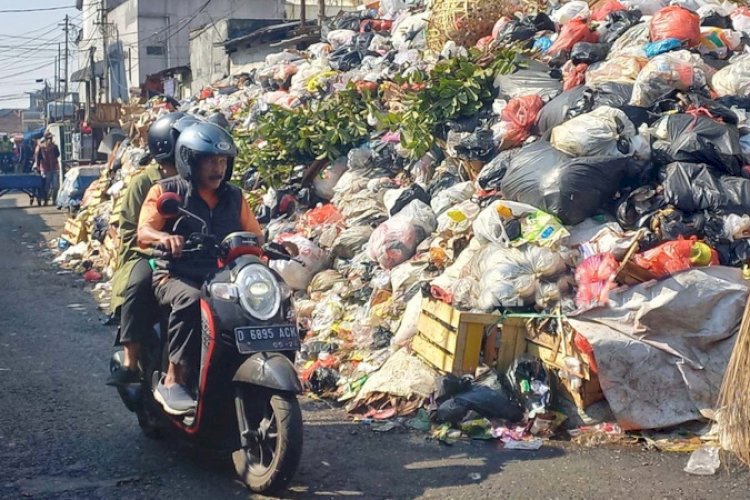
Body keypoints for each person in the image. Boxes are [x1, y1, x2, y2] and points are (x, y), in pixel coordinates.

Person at [137, 122, 264, 415]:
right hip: (176, 274)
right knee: (192, 300)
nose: (217, 168)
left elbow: (255, 235)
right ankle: (174, 378)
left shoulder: (234, 197)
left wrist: (268, 246)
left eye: (222, 161)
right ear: (190, 161)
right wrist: (165, 237)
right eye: (210, 160)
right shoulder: (166, 191)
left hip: (223, 277)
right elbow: (143, 232)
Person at [106, 112, 200, 386]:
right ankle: (131, 361)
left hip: (192, 254)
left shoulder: (196, 179)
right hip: (145, 254)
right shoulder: (143, 182)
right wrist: (158, 242)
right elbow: (130, 230)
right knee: (137, 286)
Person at [34, 132, 61, 205]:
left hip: (55, 168)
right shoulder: (41, 147)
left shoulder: (54, 146)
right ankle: (46, 200)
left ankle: (54, 200)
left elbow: (57, 154)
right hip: (45, 168)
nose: (50, 140)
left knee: (56, 186)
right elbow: (38, 158)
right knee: (46, 186)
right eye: (49, 138)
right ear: (45, 139)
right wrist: (37, 166)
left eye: (51, 138)